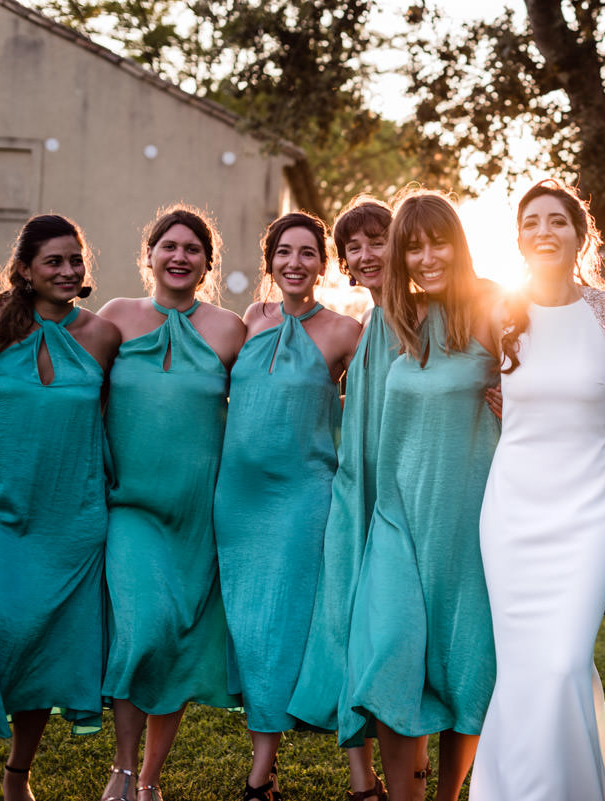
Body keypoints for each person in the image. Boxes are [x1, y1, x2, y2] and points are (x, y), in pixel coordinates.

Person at [469, 179, 605, 801]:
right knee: (525, 665)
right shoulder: (495, 312)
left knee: (566, 657)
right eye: (532, 222)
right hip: (513, 508)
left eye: (557, 221)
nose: (544, 231)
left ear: (579, 234)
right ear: (518, 239)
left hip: (592, 508)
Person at [342, 189, 502, 801]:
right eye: (413, 246)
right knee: (390, 656)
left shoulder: (490, 310)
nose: (427, 257)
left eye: (438, 243)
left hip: (469, 518)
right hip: (398, 518)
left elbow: (546, 388)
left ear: (458, 246)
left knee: (467, 664)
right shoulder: (390, 321)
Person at [97, 206, 246, 801]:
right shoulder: (115, 319)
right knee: (144, 629)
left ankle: (151, 782)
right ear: (150, 255)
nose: (180, 256)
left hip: (198, 516)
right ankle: (123, 770)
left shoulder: (230, 329)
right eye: (170, 246)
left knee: (177, 642)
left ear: (207, 264)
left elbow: (275, 392)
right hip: (132, 507)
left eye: (193, 249)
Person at [213, 211, 361, 801]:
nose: (294, 263)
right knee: (252, 630)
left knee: (297, 624)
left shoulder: (347, 331)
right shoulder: (250, 319)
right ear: (269, 259)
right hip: (239, 502)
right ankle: (263, 766)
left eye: (307, 253)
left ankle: (339, 774)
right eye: (284, 252)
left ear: (322, 265)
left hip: (304, 497)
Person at [0, 215, 120, 801]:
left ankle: (17, 776)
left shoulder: (103, 335)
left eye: (76, 260)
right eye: (54, 261)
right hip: (4, 512)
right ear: (25, 269)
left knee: (43, 648)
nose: (69, 271)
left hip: (71, 521)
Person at [286, 196, 398, 801]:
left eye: (376, 240)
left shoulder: (415, 317)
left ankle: (404, 766)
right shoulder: (368, 324)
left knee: (388, 627)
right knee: (343, 619)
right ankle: (362, 776)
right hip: (354, 489)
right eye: (353, 246)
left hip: (402, 496)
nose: (364, 253)